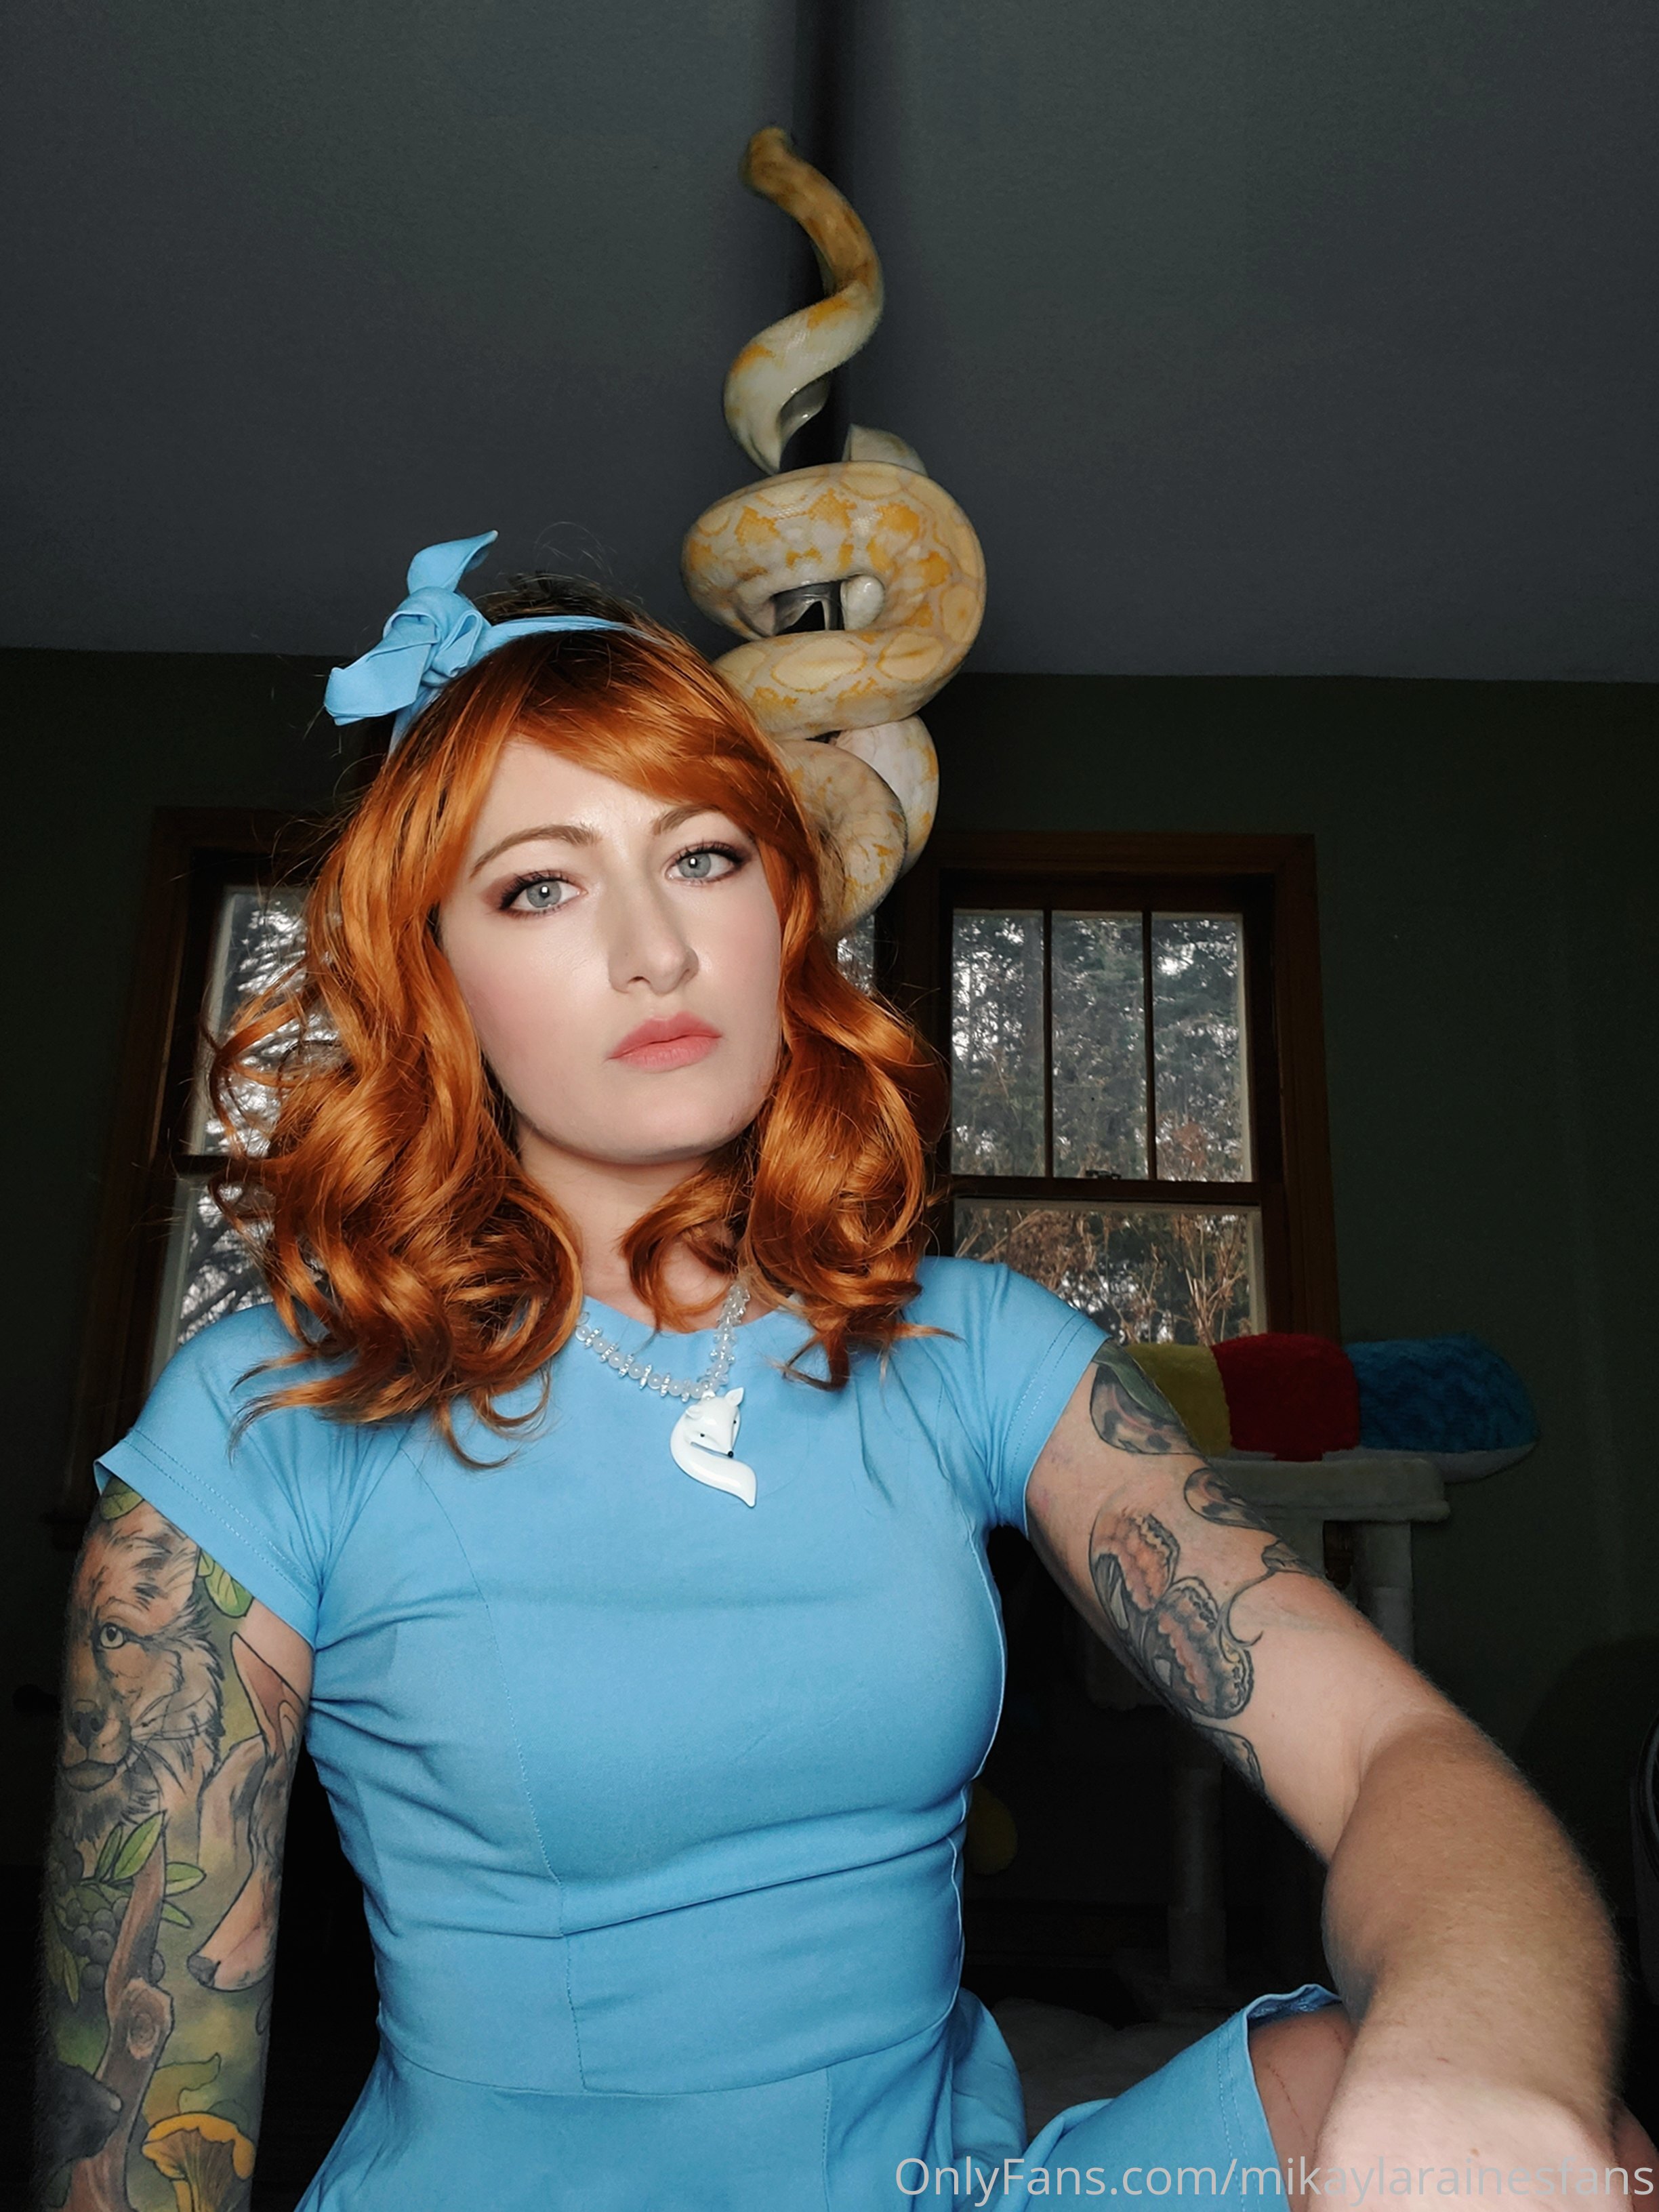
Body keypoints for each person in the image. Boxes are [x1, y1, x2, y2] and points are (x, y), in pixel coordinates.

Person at [34, 539, 1654, 2211]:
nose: (656, 949)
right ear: (432, 971)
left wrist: (1483, 2045)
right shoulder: (264, 1427)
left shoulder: (976, 1350)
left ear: (780, 911)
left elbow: (1394, 1757)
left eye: (704, 855)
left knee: (1576, 2154)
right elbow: (137, 2143)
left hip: (937, 2187)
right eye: (540, 886)